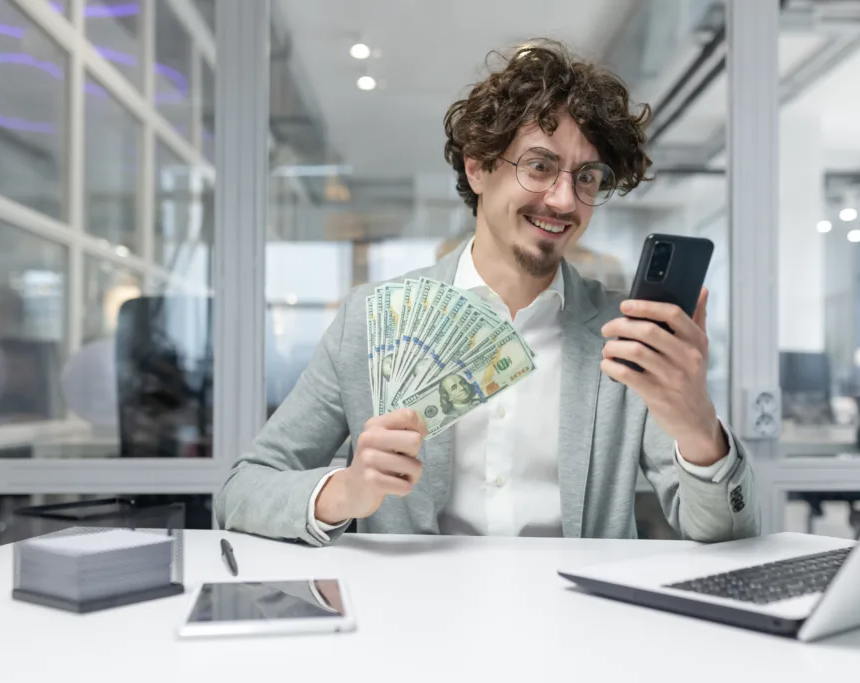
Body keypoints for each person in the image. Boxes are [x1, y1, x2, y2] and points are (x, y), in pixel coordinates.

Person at [215, 39, 759, 545]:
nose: (565, 200)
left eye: (587, 177)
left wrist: (697, 425)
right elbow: (241, 492)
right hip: (416, 626)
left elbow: (728, 531)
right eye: (540, 166)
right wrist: (347, 491)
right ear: (477, 167)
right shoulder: (369, 320)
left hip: (580, 632)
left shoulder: (627, 337)